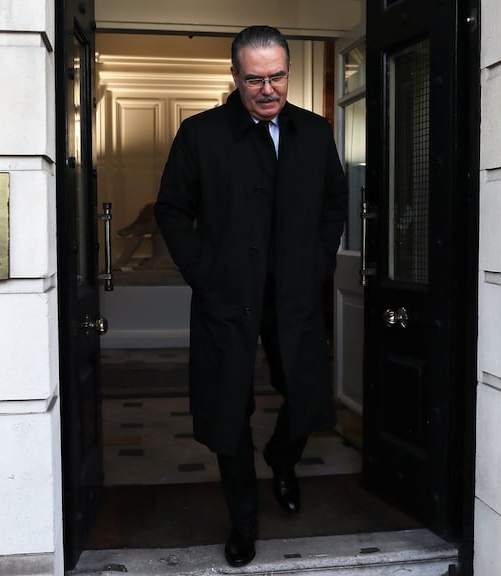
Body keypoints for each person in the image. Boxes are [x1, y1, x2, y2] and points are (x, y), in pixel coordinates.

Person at [154, 25, 348, 568]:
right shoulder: (200, 134)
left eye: (278, 76)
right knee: (228, 408)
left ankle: (282, 459)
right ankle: (243, 521)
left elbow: (335, 202)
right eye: (255, 79)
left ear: (289, 72)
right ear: (235, 76)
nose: (268, 89)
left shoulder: (314, 131)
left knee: (306, 395)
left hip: (295, 295)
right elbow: (171, 209)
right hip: (226, 296)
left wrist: (318, 261)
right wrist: (204, 271)